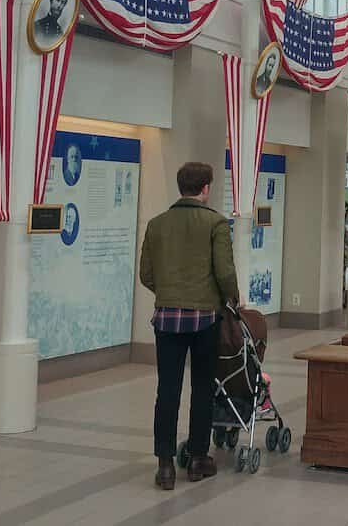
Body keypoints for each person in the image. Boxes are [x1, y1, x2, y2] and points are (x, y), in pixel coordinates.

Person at [139, 162, 240, 491]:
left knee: (166, 390)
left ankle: (165, 464)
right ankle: (198, 458)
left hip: (166, 318)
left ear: (181, 186)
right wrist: (232, 300)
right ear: (206, 188)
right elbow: (224, 271)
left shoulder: (156, 224)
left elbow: (147, 274)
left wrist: (169, 293)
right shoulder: (215, 223)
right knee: (202, 388)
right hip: (205, 319)